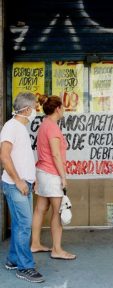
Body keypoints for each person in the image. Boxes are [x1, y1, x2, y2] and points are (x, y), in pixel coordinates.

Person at [0, 92, 45, 283]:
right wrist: (18, 180)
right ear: (27, 109)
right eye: (35, 107)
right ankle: (25, 267)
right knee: (25, 225)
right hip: (15, 185)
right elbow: (4, 156)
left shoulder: (20, 127)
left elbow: (21, 158)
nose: (36, 110)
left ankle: (12, 260)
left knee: (20, 224)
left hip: (23, 184)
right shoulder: (11, 127)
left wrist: (30, 178)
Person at [30, 94, 76, 260]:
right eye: (62, 107)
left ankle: (35, 243)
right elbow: (56, 155)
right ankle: (57, 249)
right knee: (58, 212)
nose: (63, 109)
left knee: (40, 209)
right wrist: (63, 177)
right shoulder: (53, 128)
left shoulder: (44, 125)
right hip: (52, 174)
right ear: (58, 109)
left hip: (42, 172)